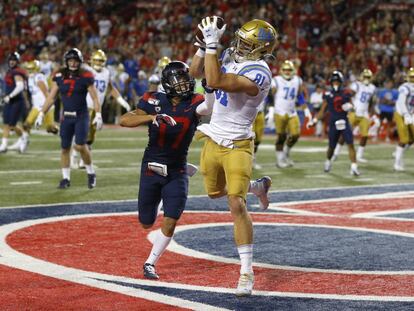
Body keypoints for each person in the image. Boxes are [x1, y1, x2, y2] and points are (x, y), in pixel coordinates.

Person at [189, 17, 275, 296]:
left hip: (238, 143)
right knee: (215, 193)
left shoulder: (259, 71)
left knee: (236, 203)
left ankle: (246, 272)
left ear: (262, 50)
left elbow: (214, 80)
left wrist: (214, 45)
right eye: (240, 39)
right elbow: (195, 73)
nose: (239, 46)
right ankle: (256, 186)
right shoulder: (230, 54)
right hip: (214, 136)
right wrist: (203, 47)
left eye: (248, 44)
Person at [119, 61, 214, 281]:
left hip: (177, 168)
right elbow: (124, 120)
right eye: (179, 79)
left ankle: (150, 262)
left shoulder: (194, 101)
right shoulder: (153, 100)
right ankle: (161, 199)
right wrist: (151, 118)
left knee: (172, 217)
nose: (185, 83)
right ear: (168, 83)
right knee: (146, 221)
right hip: (152, 165)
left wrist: (209, 90)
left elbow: (208, 108)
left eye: (186, 79)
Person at [35, 48, 102, 189]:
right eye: (70, 60)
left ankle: (91, 173)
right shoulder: (59, 75)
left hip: (81, 116)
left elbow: (95, 97)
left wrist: (98, 114)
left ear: (80, 62)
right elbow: (51, 97)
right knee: (65, 148)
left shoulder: (86, 75)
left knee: (79, 145)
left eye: (75, 60)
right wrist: (41, 113)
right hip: (66, 117)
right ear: (66, 61)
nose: (72, 63)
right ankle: (65, 178)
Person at [70, 49, 131, 169]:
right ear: (91, 60)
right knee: (82, 134)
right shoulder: (86, 70)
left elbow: (110, 88)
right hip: (84, 106)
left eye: (100, 60)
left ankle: (83, 161)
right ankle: (73, 157)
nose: (98, 63)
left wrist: (122, 101)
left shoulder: (106, 72)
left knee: (90, 136)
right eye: (96, 60)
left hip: (97, 108)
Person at [310, 71, 360, 176]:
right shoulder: (328, 94)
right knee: (331, 147)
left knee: (350, 144)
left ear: (341, 82)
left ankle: (354, 166)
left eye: (337, 81)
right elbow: (322, 110)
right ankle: (328, 161)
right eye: (334, 81)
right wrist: (314, 120)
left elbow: (353, 106)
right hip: (333, 122)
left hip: (344, 120)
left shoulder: (346, 93)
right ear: (331, 82)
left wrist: (350, 107)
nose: (336, 83)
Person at [9, 60, 59, 153]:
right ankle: (24, 143)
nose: (29, 71)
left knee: (50, 129)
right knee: (26, 124)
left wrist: (48, 106)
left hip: (44, 106)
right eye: (28, 69)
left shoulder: (38, 77)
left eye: (31, 69)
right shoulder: (30, 78)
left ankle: (64, 133)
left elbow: (46, 93)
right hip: (37, 106)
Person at [271, 60, 311, 168]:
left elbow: (300, 96)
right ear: (281, 70)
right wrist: (270, 109)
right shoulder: (276, 80)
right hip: (279, 112)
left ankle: (286, 152)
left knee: (295, 135)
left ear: (293, 70)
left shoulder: (298, 80)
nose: (287, 72)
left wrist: (306, 109)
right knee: (281, 137)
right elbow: (270, 95)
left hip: (292, 112)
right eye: (285, 70)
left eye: (289, 70)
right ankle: (280, 160)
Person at [332, 69, 376, 162]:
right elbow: (348, 95)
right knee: (345, 134)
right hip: (354, 112)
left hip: (364, 114)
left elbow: (371, 101)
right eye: (365, 77)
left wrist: (371, 111)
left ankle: (359, 155)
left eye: (368, 77)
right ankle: (335, 153)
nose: (366, 79)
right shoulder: (357, 85)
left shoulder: (372, 87)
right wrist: (348, 104)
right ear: (362, 77)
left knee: (365, 135)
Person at [0, 52, 28, 153]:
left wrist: (10, 96)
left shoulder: (17, 72)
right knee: (6, 123)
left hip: (16, 101)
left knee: (11, 124)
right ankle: (4, 145)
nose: (12, 62)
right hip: (9, 100)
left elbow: (20, 86)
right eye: (10, 60)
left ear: (17, 61)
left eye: (14, 60)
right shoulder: (10, 71)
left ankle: (24, 137)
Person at [393, 67, 414, 171]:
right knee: (404, 139)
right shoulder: (405, 87)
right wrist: (406, 114)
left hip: (410, 113)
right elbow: (401, 102)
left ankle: (398, 152)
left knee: (412, 139)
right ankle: (397, 163)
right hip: (401, 113)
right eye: (411, 77)